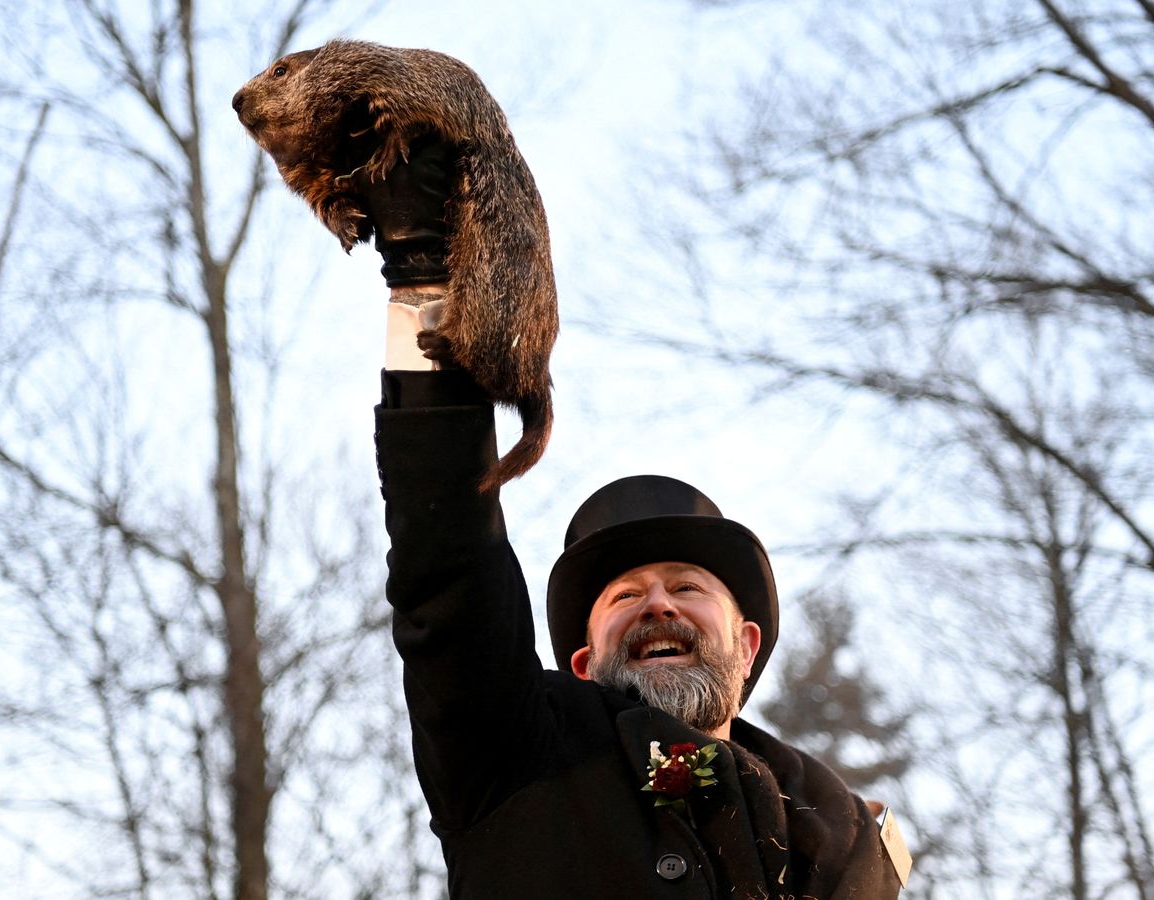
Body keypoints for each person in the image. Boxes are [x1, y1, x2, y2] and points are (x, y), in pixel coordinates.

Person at [365, 139, 906, 898]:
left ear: (745, 645)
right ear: (583, 664)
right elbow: (447, 563)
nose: (658, 603)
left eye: (687, 585)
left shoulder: (837, 841)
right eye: (624, 596)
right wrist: (426, 282)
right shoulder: (515, 758)